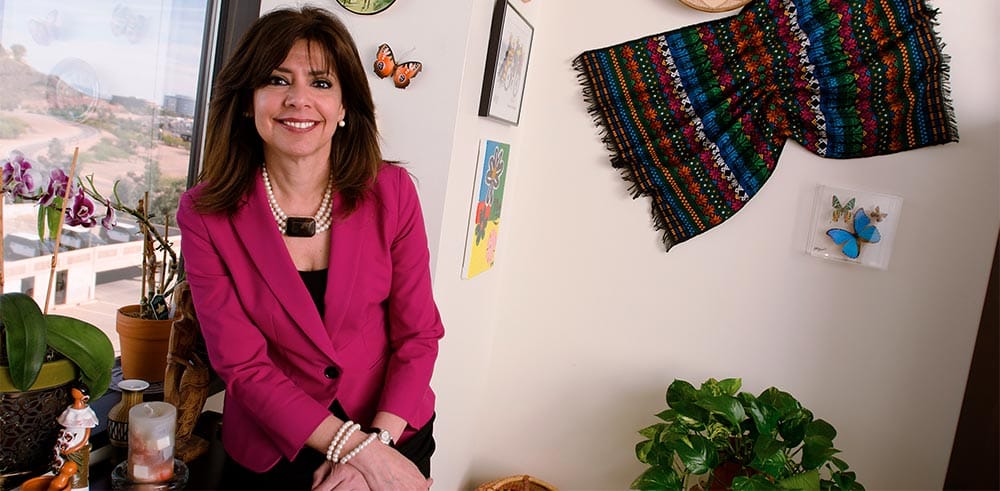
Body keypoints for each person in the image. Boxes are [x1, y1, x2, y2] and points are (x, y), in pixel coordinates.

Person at [175, 6, 444, 490]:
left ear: (344, 107)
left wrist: (374, 449)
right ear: (246, 100)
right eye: (278, 80)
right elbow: (241, 364)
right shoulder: (204, 214)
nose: (299, 99)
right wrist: (352, 448)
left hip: (393, 425)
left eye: (321, 84)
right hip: (275, 444)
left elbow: (418, 336)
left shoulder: (394, 191)